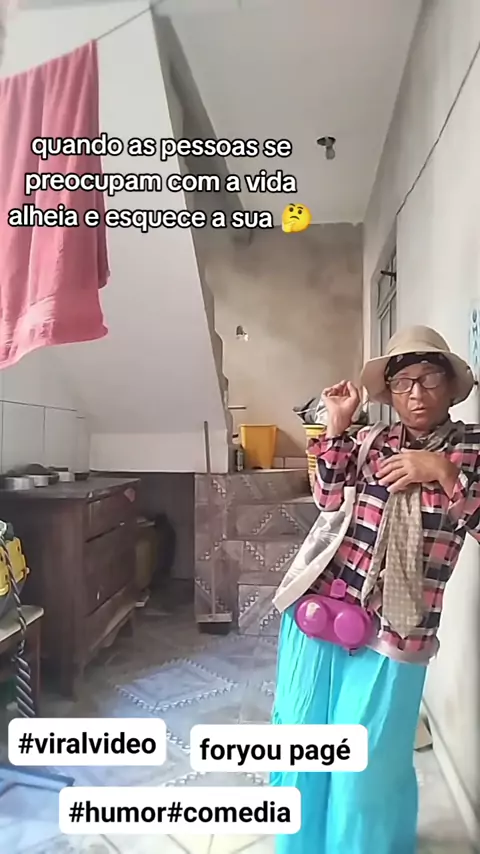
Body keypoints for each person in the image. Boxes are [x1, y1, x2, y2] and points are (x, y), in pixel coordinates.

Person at [271, 325, 480, 854]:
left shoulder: (471, 449)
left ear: (451, 386)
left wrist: (443, 473)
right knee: (301, 745)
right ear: (389, 391)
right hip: (322, 609)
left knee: (363, 770)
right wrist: (337, 426)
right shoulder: (373, 442)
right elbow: (326, 498)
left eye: (429, 379)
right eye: (403, 382)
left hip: (397, 629)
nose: (416, 393)